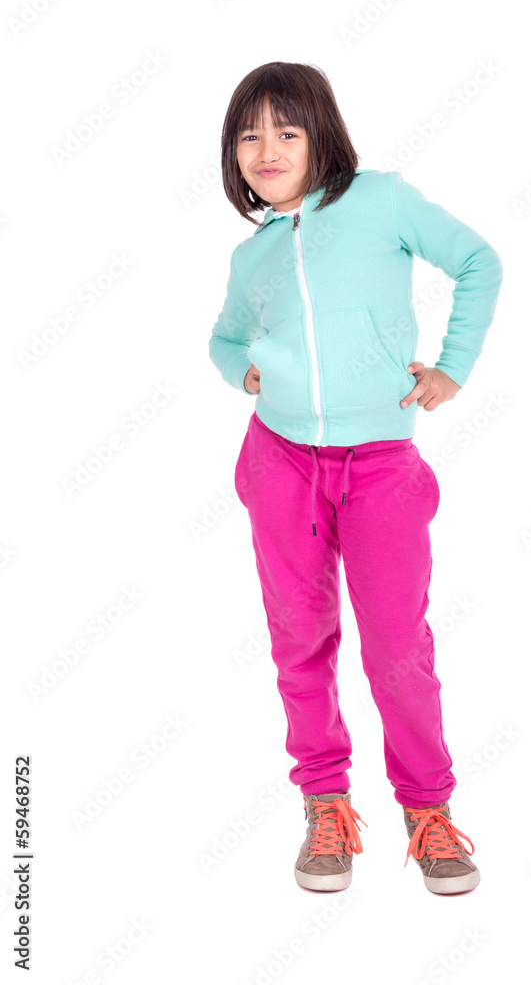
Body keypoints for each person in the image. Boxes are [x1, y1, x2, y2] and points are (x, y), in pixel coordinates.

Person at [209, 61, 503, 895]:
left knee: (396, 648)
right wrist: (243, 372)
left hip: (380, 467)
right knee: (299, 640)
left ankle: (428, 810)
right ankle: (325, 803)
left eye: (286, 129)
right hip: (280, 463)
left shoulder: (380, 202)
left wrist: (451, 368)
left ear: (321, 136)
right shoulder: (254, 255)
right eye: (248, 135)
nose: (266, 149)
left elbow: (477, 262)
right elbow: (224, 339)